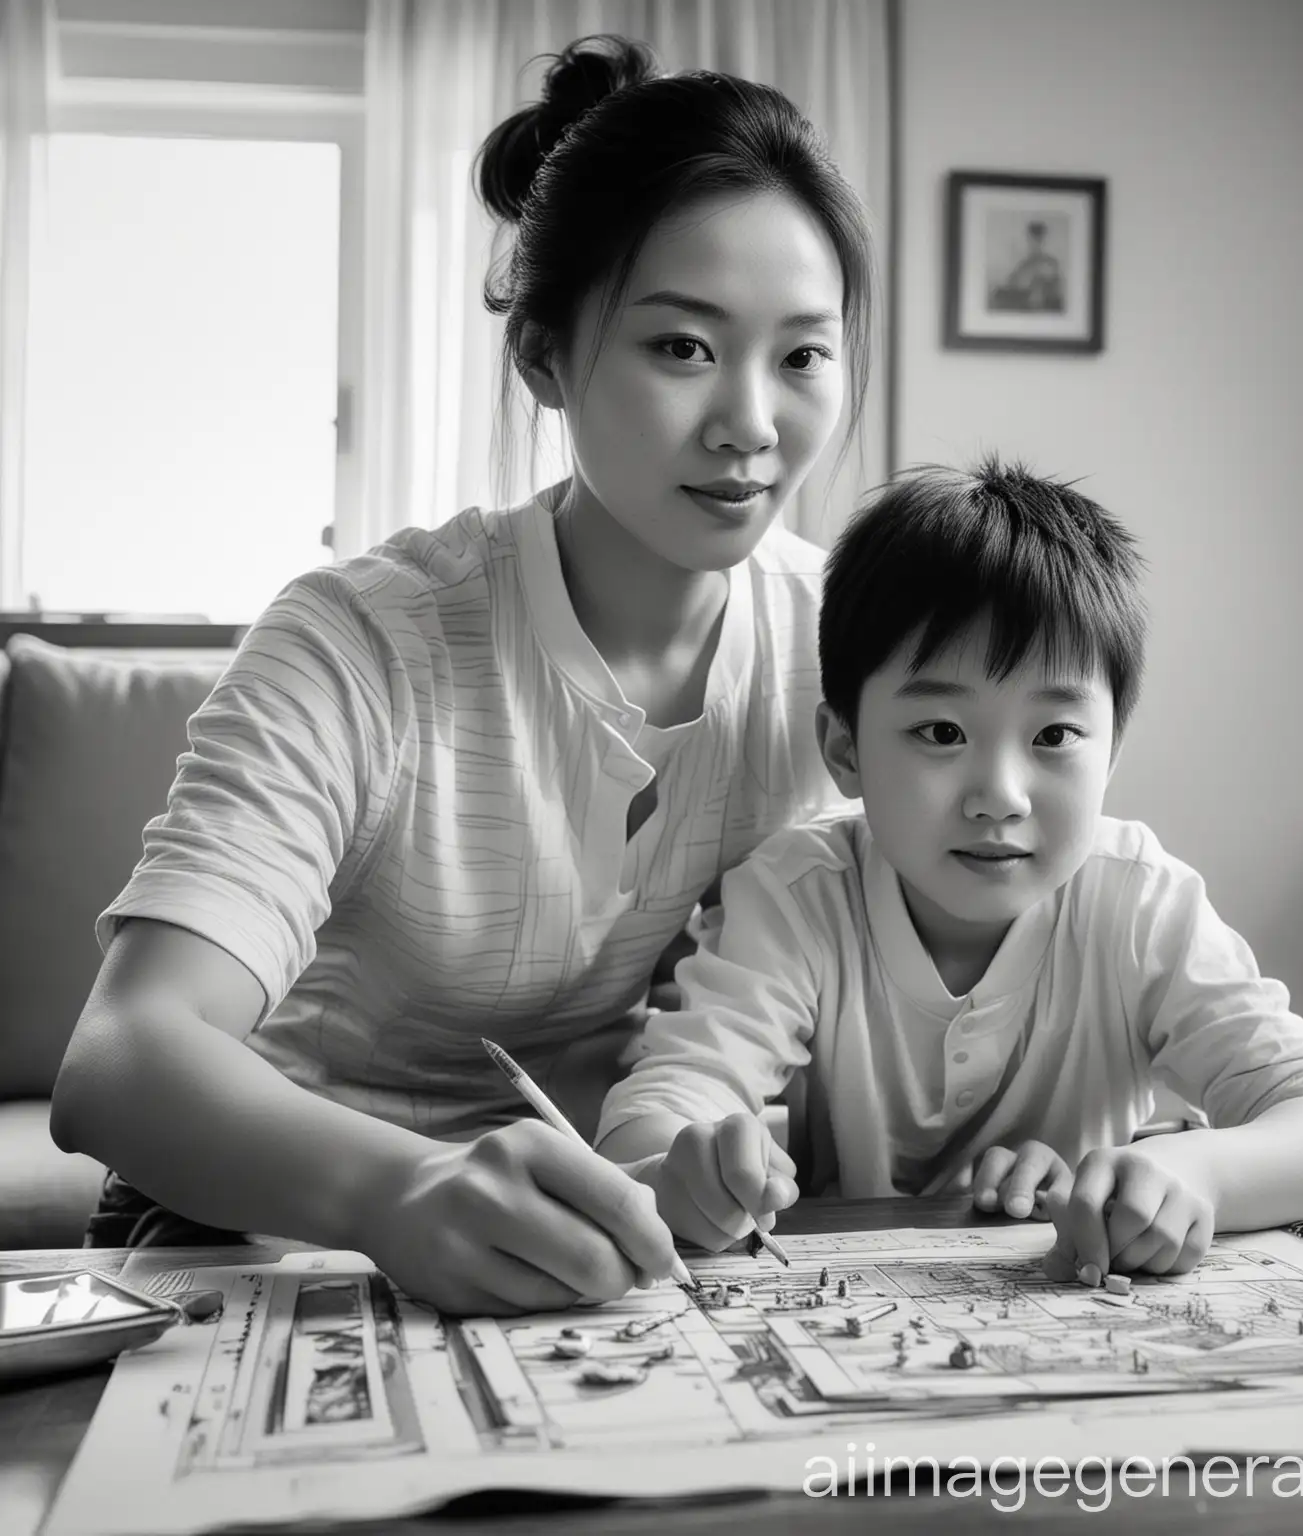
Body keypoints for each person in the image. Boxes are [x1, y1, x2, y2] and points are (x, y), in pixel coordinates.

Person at [49, 34, 874, 1319]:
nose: (753, 425)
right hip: (275, 1219)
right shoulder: (363, 640)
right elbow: (125, 1059)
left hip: (621, 1236)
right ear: (544, 356)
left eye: (803, 356)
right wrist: (401, 1191)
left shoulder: (843, 638)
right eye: (683, 348)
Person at [596, 457, 1303, 1282]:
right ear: (844, 749)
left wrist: (1196, 1172)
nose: (1001, 797)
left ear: (1111, 752)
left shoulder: (1139, 904)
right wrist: (677, 1174)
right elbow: (657, 1115)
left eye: (1054, 737)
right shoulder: (797, 898)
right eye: (941, 732)